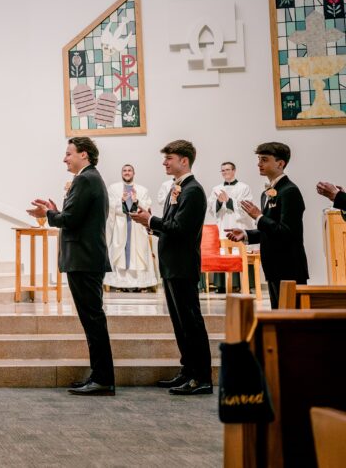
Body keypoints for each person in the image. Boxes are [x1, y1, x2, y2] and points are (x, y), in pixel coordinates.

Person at [28, 137, 115, 396]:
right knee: (91, 321)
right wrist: (56, 210)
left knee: (93, 321)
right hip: (86, 259)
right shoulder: (90, 178)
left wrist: (48, 215)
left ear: (84, 155)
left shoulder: (86, 179)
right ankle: (99, 376)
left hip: (85, 259)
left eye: (69, 153)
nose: (65, 158)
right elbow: (75, 215)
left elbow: (72, 220)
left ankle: (103, 379)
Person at [130, 140, 212, 395]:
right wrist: (151, 223)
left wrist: (151, 220)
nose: (165, 163)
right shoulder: (177, 188)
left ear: (184, 161)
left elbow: (182, 230)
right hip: (171, 264)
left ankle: (202, 378)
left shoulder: (193, 190)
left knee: (191, 322)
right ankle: (187, 371)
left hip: (183, 264)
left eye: (169, 158)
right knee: (180, 323)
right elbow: (170, 225)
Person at [226, 143, 308, 308]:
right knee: (278, 317)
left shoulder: (290, 191)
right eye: (258, 159)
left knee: (292, 321)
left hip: (288, 267)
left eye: (264, 160)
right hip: (273, 266)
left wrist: (258, 216)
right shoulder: (267, 193)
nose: (259, 164)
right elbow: (271, 229)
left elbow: (286, 232)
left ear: (280, 163)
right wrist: (247, 234)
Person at [104, 164, 157, 291]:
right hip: (120, 225)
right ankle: (121, 283)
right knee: (120, 252)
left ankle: (139, 283)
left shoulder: (142, 190)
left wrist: (136, 201)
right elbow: (109, 205)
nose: (127, 173)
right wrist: (121, 201)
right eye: (124, 170)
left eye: (129, 171)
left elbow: (146, 206)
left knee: (138, 252)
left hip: (136, 226)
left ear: (134, 173)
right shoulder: (113, 188)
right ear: (121, 173)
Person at [206, 161, 253, 293]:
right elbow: (210, 207)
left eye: (227, 169)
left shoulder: (244, 187)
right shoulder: (216, 188)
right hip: (223, 224)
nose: (225, 172)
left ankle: (243, 284)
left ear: (234, 170)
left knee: (240, 252)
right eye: (223, 170)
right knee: (224, 251)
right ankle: (222, 285)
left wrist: (230, 201)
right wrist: (219, 202)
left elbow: (247, 206)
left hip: (238, 224)